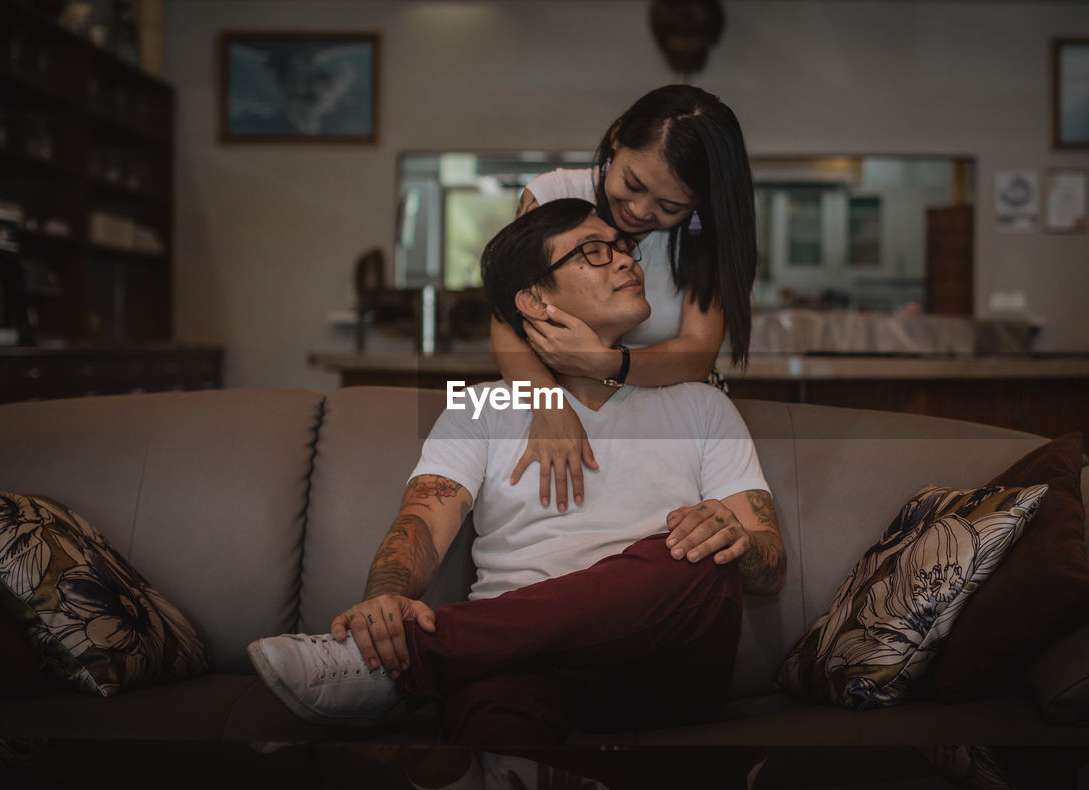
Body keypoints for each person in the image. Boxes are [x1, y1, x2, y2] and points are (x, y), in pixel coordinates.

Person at [248, 199, 784, 788]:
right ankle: (442, 670)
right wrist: (385, 600)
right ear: (534, 300)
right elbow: (421, 528)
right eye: (595, 252)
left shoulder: (701, 403)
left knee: (700, 559)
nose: (627, 261)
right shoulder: (484, 407)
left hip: (659, 668)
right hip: (516, 668)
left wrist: (735, 537)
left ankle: (412, 663)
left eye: (625, 247)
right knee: (493, 719)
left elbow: (768, 568)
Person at [494, 85, 758, 513]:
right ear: (617, 136)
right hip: (566, 399)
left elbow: (697, 353)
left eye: (669, 205)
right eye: (632, 183)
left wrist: (605, 364)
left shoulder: (702, 233)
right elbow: (508, 323)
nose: (638, 210)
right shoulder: (554, 195)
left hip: (668, 408)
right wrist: (549, 405)